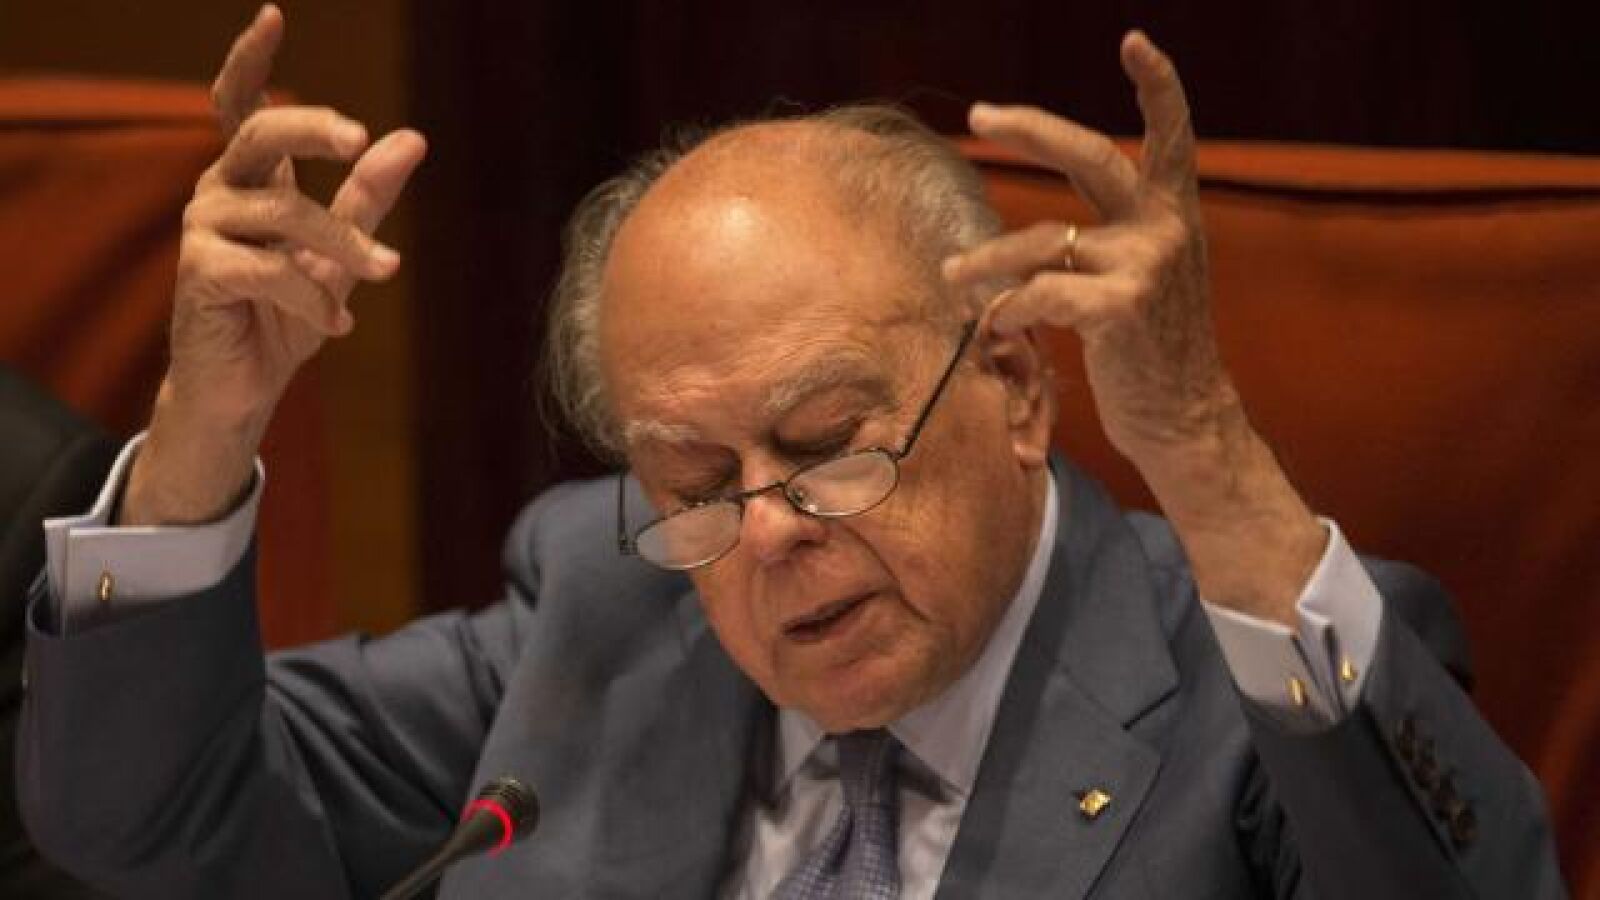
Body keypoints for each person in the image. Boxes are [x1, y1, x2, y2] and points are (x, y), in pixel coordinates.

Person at [16, 5, 1565, 899]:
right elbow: (143, 817)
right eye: (694, 482)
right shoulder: (604, 610)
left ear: (1014, 386)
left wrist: (1204, 452)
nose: (764, 531)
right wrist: (207, 424)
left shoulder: (1254, 694)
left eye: (828, 447)